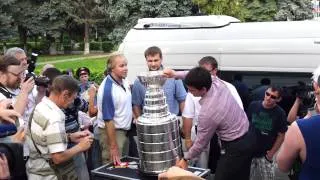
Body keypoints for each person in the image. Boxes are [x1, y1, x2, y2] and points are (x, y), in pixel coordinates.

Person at [164, 67, 256, 180]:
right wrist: (175, 74)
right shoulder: (215, 81)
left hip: (235, 147)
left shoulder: (209, 111)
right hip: (249, 135)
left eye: (192, 90)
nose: (190, 93)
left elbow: (201, 142)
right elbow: (196, 74)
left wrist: (186, 159)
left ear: (203, 89)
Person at [26, 75, 93, 180]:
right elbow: (58, 158)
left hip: (36, 171)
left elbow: (44, 138)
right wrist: (81, 146)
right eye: (73, 98)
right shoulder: (54, 118)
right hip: (50, 174)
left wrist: (70, 137)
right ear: (65, 94)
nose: (72, 102)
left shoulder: (41, 106)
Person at [131, 46, 187, 157]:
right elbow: (136, 104)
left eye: (156, 60)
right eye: (150, 61)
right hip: (150, 129)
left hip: (171, 126)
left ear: (161, 59)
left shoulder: (173, 77)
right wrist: (139, 121)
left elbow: (182, 100)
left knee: (174, 157)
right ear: (146, 61)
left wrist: (185, 124)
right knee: (154, 157)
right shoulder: (139, 81)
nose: (153, 64)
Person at [277, 66, 320, 180]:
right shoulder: (310, 106)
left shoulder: (302, 128)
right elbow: (290, 120)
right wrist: (298, 100)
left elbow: (282, 166)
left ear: (316, 87)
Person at [96, 53, 132, 165]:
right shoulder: (107, 90)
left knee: (122, 167)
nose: (125, 68)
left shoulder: (123, 80)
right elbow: (108, 120)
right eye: (121, 66)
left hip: (124, 131)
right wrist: (113, 146)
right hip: (112, 134)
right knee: (114, 167)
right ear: (111, 69)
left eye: (126, 65)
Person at [247, 86, 287, 180]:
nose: (268, 98)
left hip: (265, 154)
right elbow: (245, 125)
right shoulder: (253, 105)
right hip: (249, 152)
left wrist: (271, 153)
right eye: (267, 94)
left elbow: (281, 135)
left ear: (279, 99)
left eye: (273, 97)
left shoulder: (280, 113)